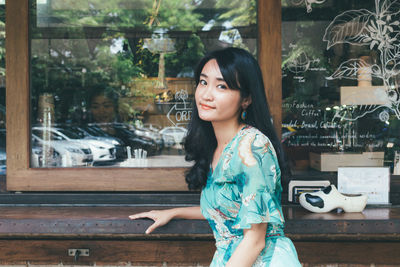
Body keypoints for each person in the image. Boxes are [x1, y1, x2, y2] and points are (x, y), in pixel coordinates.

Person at [129, 47, 301, 266]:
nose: (207, 94)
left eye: (221, 86)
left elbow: (255, 240)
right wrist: (173, 212)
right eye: (203, 82)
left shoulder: (252, 147)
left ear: (246, 99)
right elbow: (229, 208)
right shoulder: (218, 146)